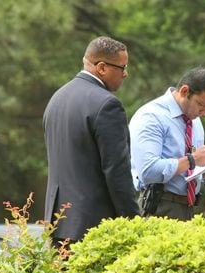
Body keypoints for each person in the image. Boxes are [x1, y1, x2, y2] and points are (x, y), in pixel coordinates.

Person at [43, 36, 140, 248]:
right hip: (93, 229)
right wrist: (135, 223)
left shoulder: (56, 99)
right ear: (102, 67)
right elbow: (117, 171)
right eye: (122, 67)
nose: (126, 73)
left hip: (58, 225)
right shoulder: (107, 105)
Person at [129, 66, 205, 221]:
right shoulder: (151, 116)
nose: (204, 113)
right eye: (201, 104)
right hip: (158, 206)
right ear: (185, 91)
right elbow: (148, 171)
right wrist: (192, 160)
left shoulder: (194, 120)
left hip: (189, 208)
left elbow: (191, 170)